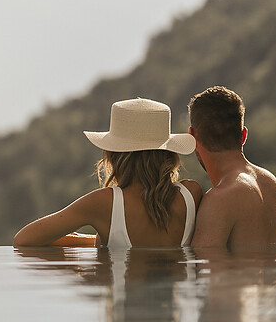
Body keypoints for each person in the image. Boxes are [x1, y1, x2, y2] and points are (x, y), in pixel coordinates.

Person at [13, 98, 202, 248]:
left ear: (115, 155)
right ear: (168, 153)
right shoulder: (191, 194)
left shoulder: (103, 204)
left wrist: (96, 241)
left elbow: (23, 239)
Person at [188, 86, 276, 249]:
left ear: (192, 137)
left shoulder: (219, 200)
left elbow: (206, 272)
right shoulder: (270, 182)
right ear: (243, 135)